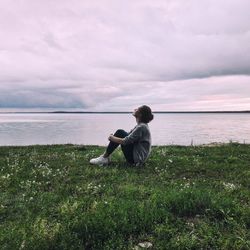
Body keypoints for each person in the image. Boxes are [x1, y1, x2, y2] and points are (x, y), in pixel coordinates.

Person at [89, 105, 154, 166]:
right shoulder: (141, 125)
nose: (135, 109)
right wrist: (114, 138)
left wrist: (112, 138)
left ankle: (104, 158)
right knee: (120, 133)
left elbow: (125, 141)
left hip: (136, 160)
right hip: (137, 158)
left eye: (137, 109)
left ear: (140, 114)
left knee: (120, 132)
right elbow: (129, 135)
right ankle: (105, 157)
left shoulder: (141, 127)